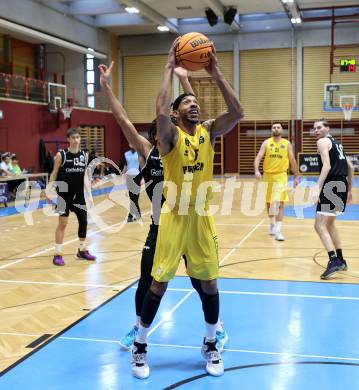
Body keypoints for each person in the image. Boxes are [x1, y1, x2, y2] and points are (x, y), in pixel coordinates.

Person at [130, 39, 244, 379]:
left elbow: (238, 113)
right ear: (177, 114)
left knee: (209, 285)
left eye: (196, 102)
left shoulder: (207, 132)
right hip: (174, 217)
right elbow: (161, 108)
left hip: (201, 217)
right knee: (158, 285)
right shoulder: (170, 137)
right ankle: (139, 346)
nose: (194, 105)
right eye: (187, 103)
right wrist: (168, 67)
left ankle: (210, 344)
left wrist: (217, 73)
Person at [99, 61, 229, 358]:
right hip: (162, 225)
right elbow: (122, 120)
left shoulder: (187, 141)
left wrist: (184, 80)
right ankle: (137, 327)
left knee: (202, 281)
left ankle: (216, 326)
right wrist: (107, 89)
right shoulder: (149, 151)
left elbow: (195, 119)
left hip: (192, 218)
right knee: (147, 280)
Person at [47, 127, 96, 266]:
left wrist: (90, 194)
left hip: (79, 195)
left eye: (78, 137)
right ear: (68, 139)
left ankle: (82, 250)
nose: (75, 140)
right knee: (63, 223)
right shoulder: (61, 155)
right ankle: (57, 253)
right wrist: (49, 190)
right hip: (63, 195)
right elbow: (54, 173)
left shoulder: (84, 156)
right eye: (73, 137)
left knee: (84, 221)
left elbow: (85, 175)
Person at [312, 119, 354, 279]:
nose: (316, 130)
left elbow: (327, 166)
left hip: (332, 184)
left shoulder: (322, 141)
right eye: (314, 128)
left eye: (319, 127)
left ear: (327, 128)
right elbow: (350, 166)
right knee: (329, 224)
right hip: (341, 184)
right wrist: (349, 189)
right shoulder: (337, 144)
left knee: (319, 225)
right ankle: (341, 259)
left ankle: (333, 260)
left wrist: (317, 186)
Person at [254, 123, 299, 241]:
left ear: (282, 130)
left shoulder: (287, 144)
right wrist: (256, 171)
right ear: (271, 130)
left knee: (280, 203)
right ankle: (272, 223)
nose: (276, 129)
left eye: (278, 127)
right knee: (269, 204)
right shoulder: (266, 143)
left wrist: (296, 176)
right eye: (274, 127)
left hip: (281, 176)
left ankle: (278, 230)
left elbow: (292, 160)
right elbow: (258, 157)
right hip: (268, 176)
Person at [123, 145, 142, 222]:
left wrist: (143, 178)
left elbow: (142, 165)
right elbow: (125, 166)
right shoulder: (126, 154)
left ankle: (130, 216)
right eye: (130, 143)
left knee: (135, 197)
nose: (131, 144)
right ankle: (138, 215)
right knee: (132, 198)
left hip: (137, 177)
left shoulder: (139, 153)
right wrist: (123, 178)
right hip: (129, 178)